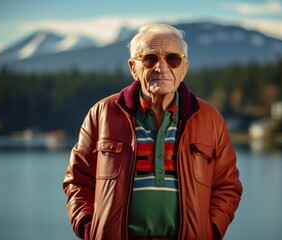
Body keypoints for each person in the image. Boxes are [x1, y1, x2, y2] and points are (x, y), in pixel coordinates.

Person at [63, 23, 242, 240]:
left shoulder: (209, 118)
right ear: (133, 68)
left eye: (173, 59)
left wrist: (210, 232)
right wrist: (89, 229)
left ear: (184, 67)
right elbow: (78, 181)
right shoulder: (102, 114)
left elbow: (227, 186)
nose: (162, 67)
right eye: (150, 58)